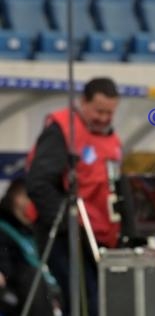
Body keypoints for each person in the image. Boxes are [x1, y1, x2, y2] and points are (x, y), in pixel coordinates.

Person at [26, 77, 122, 316]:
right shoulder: (62, 130)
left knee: (101, 301)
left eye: (109, 113)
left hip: (100, 236)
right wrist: (68, 225)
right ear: (83, 103)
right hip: (68, 235)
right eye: (99, 111)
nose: (104, 118)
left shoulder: (111, 138)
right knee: (83, 302)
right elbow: (39, 182)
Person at [0, 178, 60, 316]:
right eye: (22, 195)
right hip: (16, 294)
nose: (27, 203)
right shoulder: (4, 229)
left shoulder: (37, 231)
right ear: (11, 197)